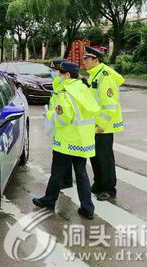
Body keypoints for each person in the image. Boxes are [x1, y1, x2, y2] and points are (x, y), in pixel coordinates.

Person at [33, 62, 100, 219]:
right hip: (81, 141)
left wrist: (49, 115)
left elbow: (63, 119)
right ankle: (87, 208)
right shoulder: (83, 88)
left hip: (66, 140)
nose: (58, 75)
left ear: (67, 75)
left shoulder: (65, 92)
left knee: (57, 173)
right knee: (82, 174)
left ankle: (49, 200)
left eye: (60, 73)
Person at [83, 46, 125, 201]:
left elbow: (110, 104)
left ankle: (109, 188)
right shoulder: (94, 75)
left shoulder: (104, 76)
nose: (84, 62)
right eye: (84, 59)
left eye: (87, 59)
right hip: (94, 125)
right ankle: (98, 184)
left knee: (105, 158)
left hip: (103, 127)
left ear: (96, 60)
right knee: (95, 157)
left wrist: (101, 124)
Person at [49, 58, 73, 190]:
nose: (53, 72)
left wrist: (50, 114)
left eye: (55, 70)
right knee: (62, 155)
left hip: (65, 125)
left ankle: (64, 180)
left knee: (62, 156)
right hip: (57, 121)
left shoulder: (66, 83)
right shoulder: (57, 81)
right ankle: (65, 179)